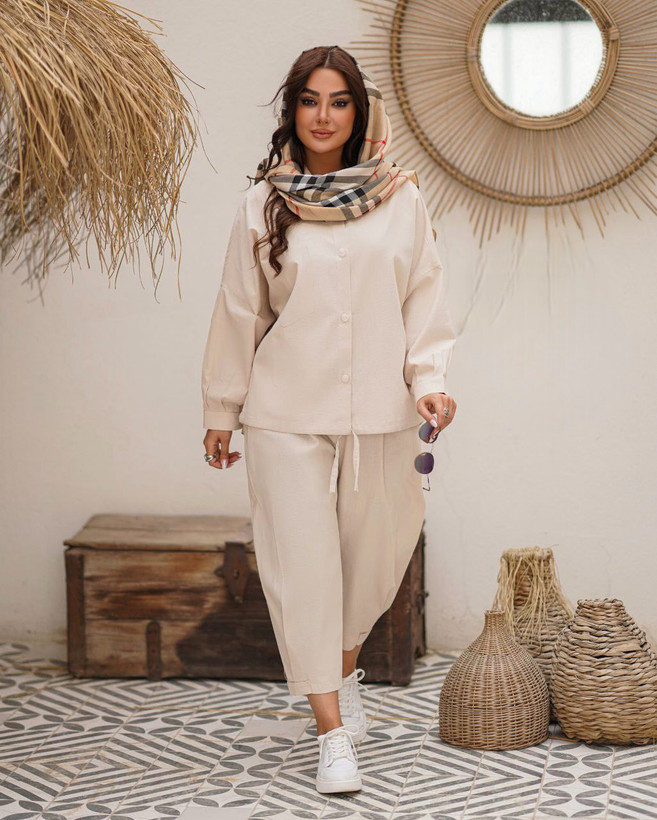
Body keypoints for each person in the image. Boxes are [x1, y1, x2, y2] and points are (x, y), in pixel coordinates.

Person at [201, 45, 457, 794]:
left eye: (338, 101)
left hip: (382, 409)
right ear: (292, 110)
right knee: (302, 566)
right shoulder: (263, 203)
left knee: (376, 557)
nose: (323, 116)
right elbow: (239, 311)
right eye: (309, 100)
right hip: (285, 409)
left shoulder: (402, 199)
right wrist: (221, 410)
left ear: (358, 111)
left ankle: (338, 673)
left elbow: (424, 297)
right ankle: (331, 732)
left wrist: (430, 382)